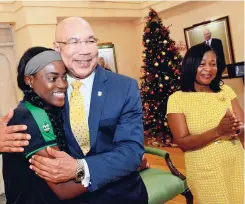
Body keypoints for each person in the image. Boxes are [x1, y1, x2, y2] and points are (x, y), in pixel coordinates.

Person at [1, 17, 148, 204]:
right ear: (57, 47)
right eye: (74, 41)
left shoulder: (124, 87)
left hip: (121, 196)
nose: (85, 50)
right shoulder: (49, 93)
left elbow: (131, 150)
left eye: (90, 40)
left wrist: (81, 168)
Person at [3, 46, 90, 203]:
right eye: (52, 78)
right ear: (30, 80)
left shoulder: (47, 108)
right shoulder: (32, 117)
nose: (63, 84)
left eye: (64, 77)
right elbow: (64, 189)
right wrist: (119, 170)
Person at [167, 43, 244, 204]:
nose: (208, 69)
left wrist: (237, 128)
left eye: (213, 64)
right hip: (206, 170)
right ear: (190, 65)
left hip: (237, 163)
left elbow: (242, 126)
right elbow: (183, 142)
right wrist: (218, 131)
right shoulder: (177, 99)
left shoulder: (226, 91)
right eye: (202, 64)